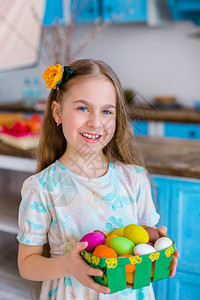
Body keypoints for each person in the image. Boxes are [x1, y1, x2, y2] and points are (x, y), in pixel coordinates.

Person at [17, 59, 178, 300]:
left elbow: (143, 245)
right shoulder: (42, 188)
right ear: (58, 112)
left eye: (106, 111)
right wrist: (67, 266)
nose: (96, 122)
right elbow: (27, 264)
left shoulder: (134, 178)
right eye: (83, 108)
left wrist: (159, 253)